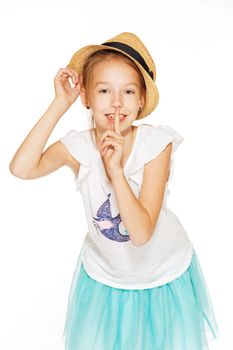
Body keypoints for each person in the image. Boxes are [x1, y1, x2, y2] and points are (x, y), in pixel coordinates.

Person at [9, 32, 219, 349]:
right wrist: (59, 104)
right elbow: (21, 168)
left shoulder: (155, 145)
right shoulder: (78, 147)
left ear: (141, 101)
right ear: (87, 97)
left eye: (128, 91)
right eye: (104, 90)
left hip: (162, 276)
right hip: (105, 278)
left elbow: (141, 232)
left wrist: (116, 172)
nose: (117, 102)